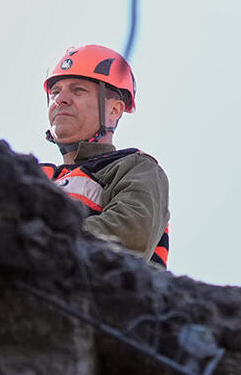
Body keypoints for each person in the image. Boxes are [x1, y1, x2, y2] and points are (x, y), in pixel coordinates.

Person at [40, 44, 170, 266]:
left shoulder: (134, 168)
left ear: (114, 110)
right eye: (55, 92)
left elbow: (130, 234)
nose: (60, 99)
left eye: (78, 89)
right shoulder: (37, 176)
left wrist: (39, 244)